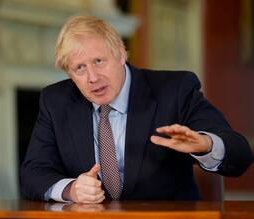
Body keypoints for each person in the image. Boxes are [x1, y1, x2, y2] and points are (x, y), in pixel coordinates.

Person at [21, 15, 253, 203]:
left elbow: (240, 154)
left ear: (121, 53)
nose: (92, 77)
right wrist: (71, 190)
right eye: (79, 68)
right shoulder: (56, 101)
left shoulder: (174, 91)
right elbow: (33, 173)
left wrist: (205, 145)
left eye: (99, 62)